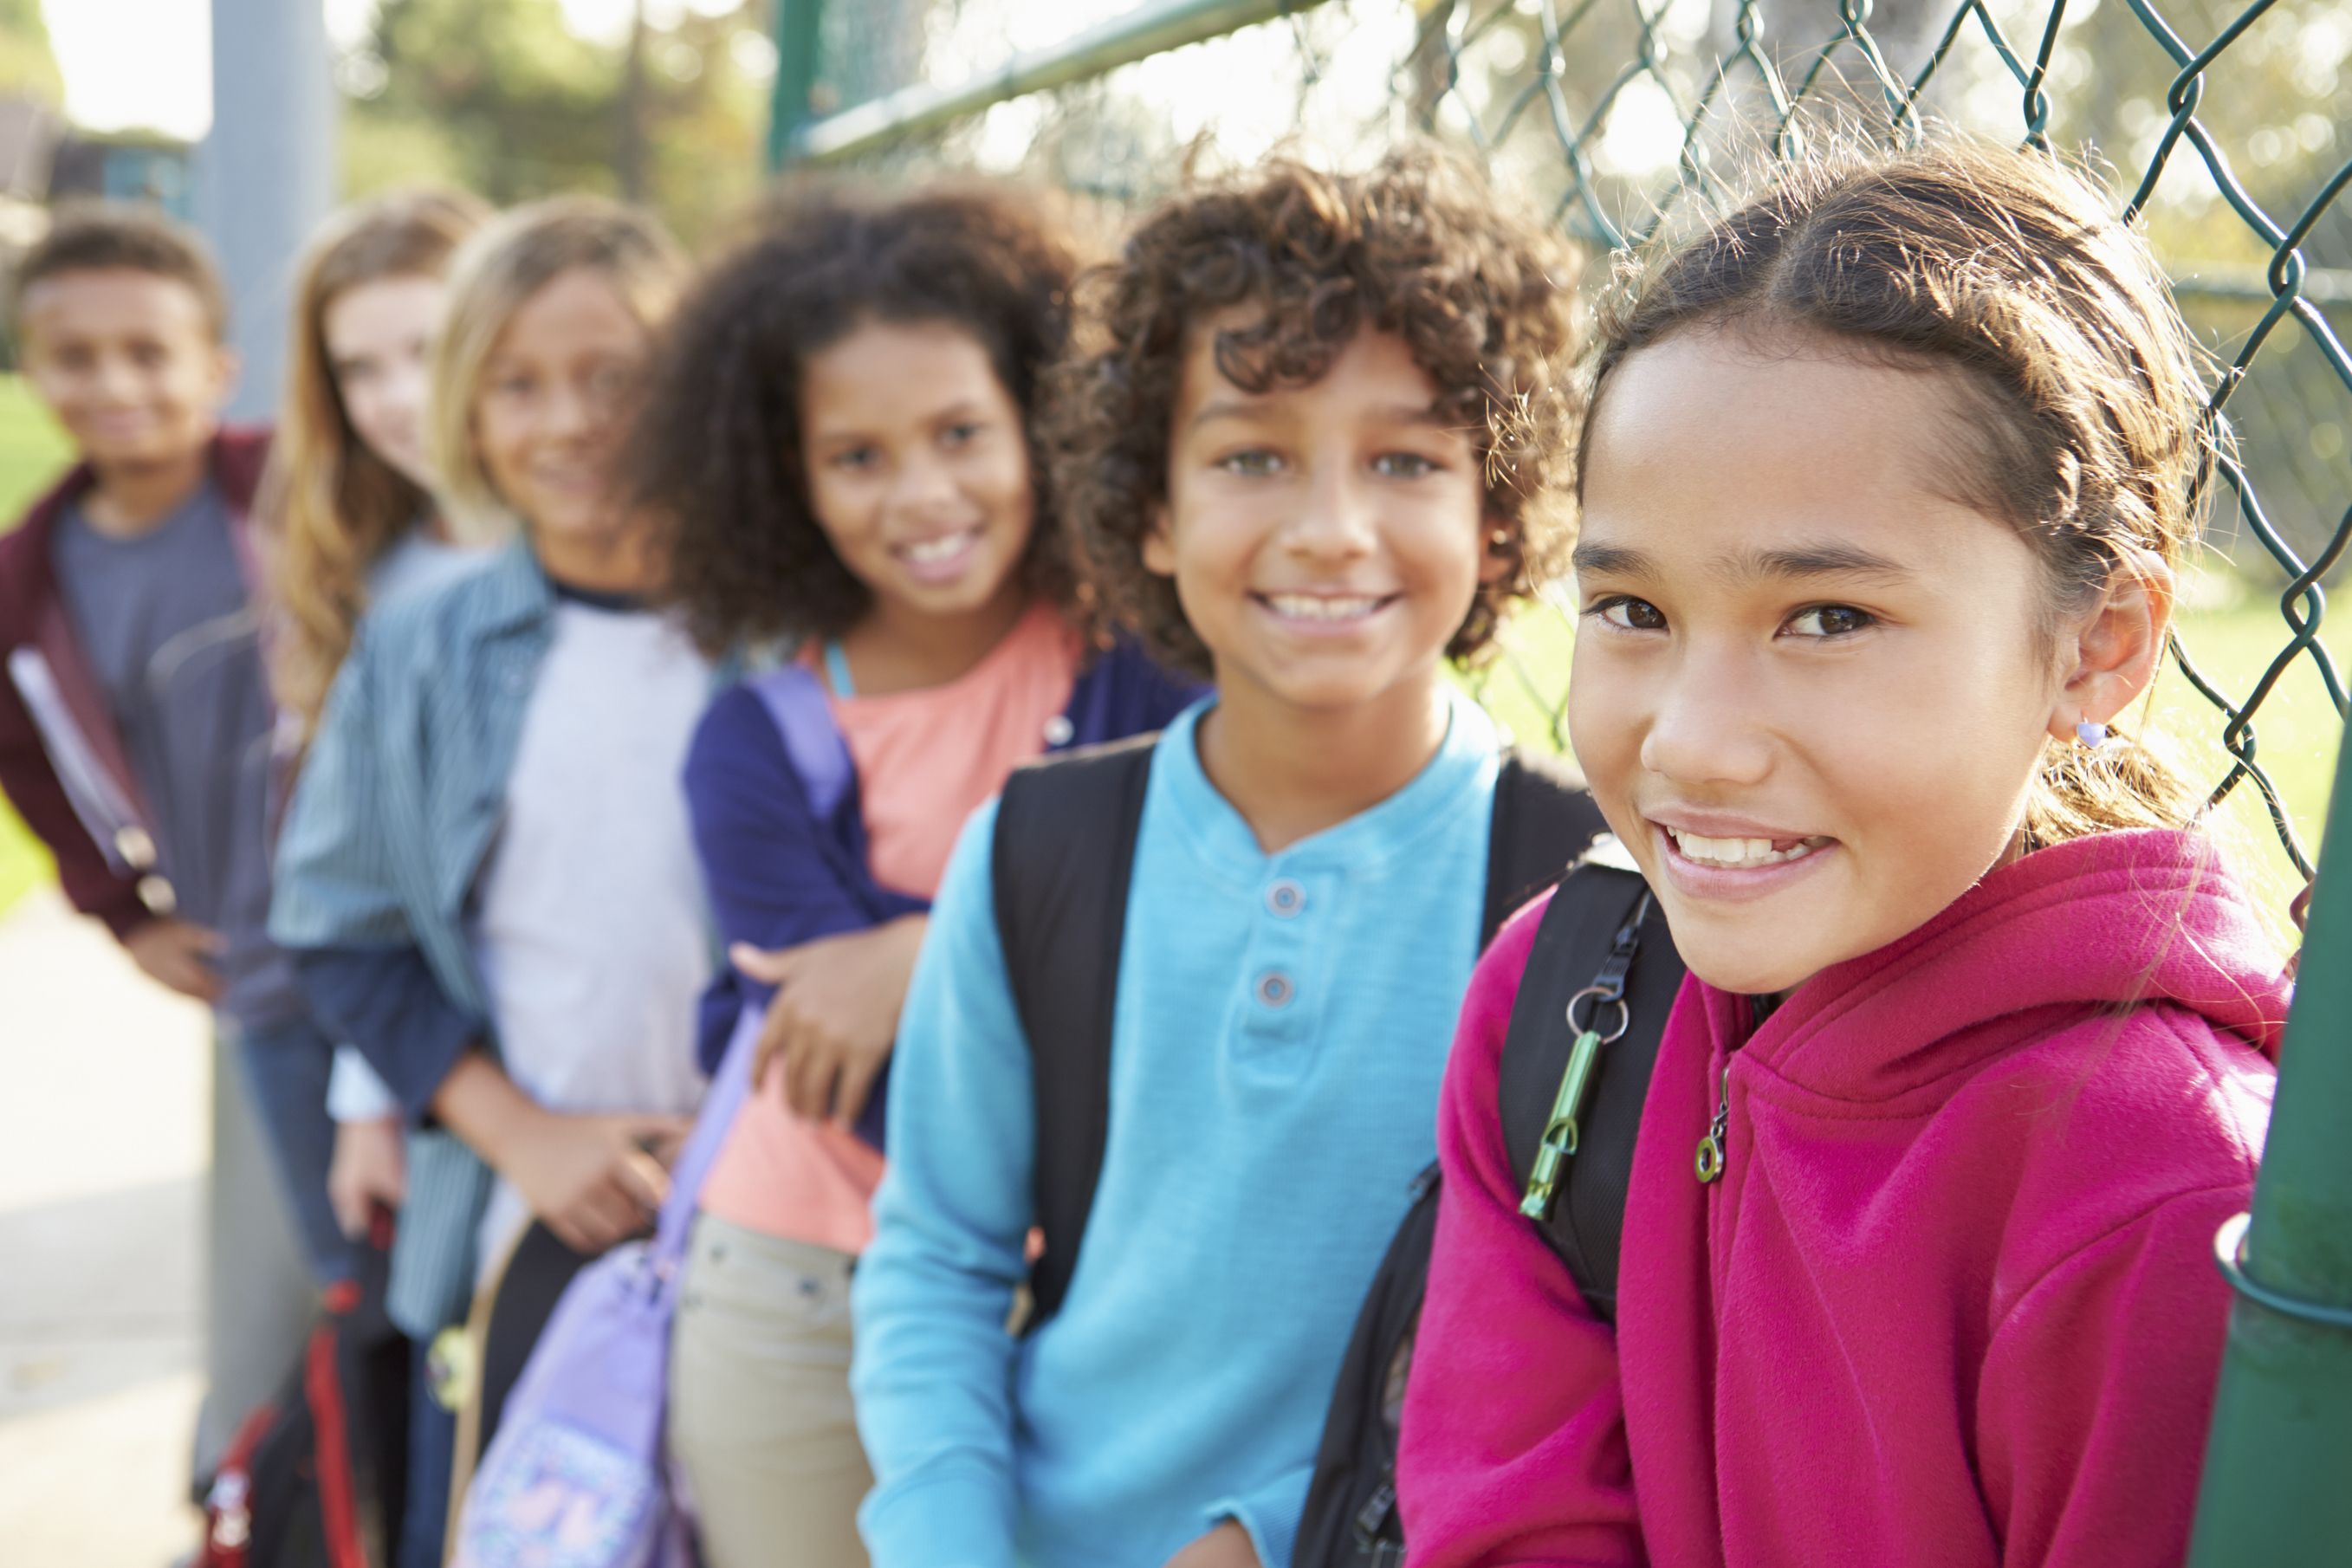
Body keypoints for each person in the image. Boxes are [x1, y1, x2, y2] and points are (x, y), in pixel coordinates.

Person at [1395, 139, 2287, 1568]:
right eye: (1632, 608)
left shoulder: (2163, 1197)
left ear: (2097, 646)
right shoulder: (1567, 999)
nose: (1691, 743)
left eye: (1826, 619)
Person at [847, 150, 1583, 1568]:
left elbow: (1562, 1349)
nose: (1329, 528)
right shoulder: (1043, 851)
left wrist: (1268, 1527)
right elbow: (938, 1264)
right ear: (1157, 508)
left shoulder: (1577, 901)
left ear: (1493, 519)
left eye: (1407, 460)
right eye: (1252, 455)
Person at [632, 184, 1200, 1568]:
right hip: (798, 1284)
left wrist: (909, 950)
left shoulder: (1138, 662)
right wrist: (1018, 940)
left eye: (959, 433)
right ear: (789, 477)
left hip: (1104, 1290)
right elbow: (854, 1063)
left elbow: (1185, 932)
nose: (923, 495)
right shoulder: (755, 743)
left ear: (1043, 420)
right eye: (859, 456)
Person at [267, 196, 703, 1568]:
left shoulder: (791, 632)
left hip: (765, 1212)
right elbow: (339, 933)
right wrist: (514, 1128)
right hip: (522, 1230)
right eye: (517, 384)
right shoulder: (418, 653)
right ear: (468, 408)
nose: (565, 421)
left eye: (611, 377)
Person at [0, 200, 327, 1479]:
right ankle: (250, 1495)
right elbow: (22, 757)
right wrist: (122, 911)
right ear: (32, 369)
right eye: (74, 356)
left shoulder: (301, 492)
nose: (115, 383)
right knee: (277, 1286)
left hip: (413, 948)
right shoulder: (30, 583)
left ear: (217, 368)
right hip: (256, 971)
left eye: (148, 351)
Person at [261, 185, 495, 1270]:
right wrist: (369, 1097)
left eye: (430, 347)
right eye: (360, 370)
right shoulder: (386, 588)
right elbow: (373, 889)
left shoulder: (624, 561)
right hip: (465, 1082)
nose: (403, 398)